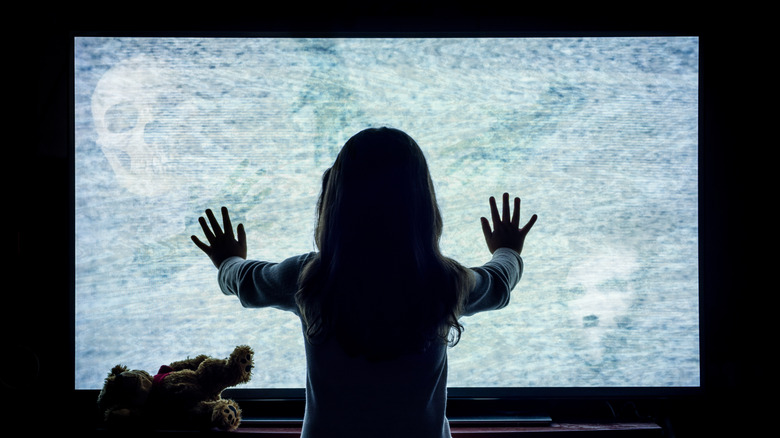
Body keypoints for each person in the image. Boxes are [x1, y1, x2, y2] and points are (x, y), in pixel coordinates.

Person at [191, 127, 537, 438]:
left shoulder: (308, 278)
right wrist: (507, 249)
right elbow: (498, 284)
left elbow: (246, 282)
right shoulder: (445, 282)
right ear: (423, 207)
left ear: (334, 201)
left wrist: (228, 260)